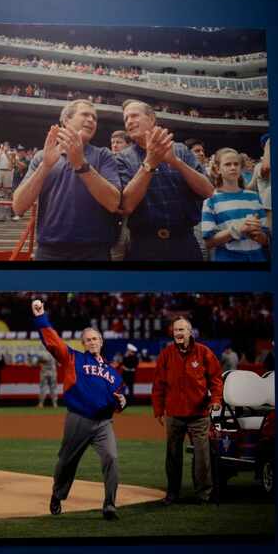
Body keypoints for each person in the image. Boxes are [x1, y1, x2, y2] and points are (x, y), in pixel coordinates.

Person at [32, 299, 126, 520]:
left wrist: (123, 403)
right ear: (83, 343)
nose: (92, 342)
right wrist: (40, 317)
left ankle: (110, 505)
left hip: (104, 423)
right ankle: (57, 494)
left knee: (111, 457)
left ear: (101, 341)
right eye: (88, 340)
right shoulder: (74, 358)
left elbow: (120, 398)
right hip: (79, 419)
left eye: (95, 338)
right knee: (66, 462)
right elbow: (53, 342)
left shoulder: (114, 374)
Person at [12, 99, 121, 261]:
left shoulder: (104, 155)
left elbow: (113, 203)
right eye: (85, 114)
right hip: (49, 251)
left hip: (94, 251)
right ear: (66, 120)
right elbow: (18, 207)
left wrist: (81, 164)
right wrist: (46, 166)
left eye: (95, 118)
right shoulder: (42, 156)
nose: (91, 120)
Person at [116, 99, 215, 261]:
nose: (129, 121)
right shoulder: (122, 159)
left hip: (185, 243)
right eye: (126, 119)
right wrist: (150, 163)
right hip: (143, 245)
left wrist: (176, 162)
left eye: (134, 116)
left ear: (152, 119)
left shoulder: (181, 150)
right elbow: (126, 205)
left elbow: (209, 191)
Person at [152, 318, 223, 505]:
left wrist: (216, 400)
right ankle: (173, 493)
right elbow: (159, 384)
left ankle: (203, 494)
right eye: (175, 330)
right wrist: (158, 409)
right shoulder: (166, 354)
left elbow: (216, 379)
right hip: (174, 413)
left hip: (199, 414)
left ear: (190, 332)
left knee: (202, 456)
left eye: (182, 329)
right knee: (173, 456)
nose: (178, 333)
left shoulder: (203, 352)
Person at [201, 148, 269, 262]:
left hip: (258, 257)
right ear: (218, 169)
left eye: (236, 164)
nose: (233, 167)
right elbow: (208, 242)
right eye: (228, 164)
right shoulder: (211, 200)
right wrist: (237, 229)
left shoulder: (254, 197)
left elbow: (266, 238)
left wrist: (258, 234)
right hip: (227, 258)